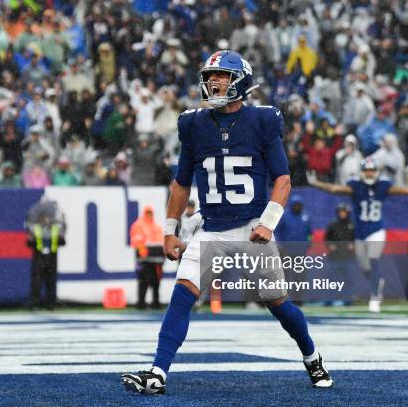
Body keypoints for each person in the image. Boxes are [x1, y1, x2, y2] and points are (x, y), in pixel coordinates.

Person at [122, 50, 333, 395]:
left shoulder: (263, 121)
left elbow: (283, 181)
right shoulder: (193, 124)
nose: (212, 82)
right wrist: (170, 230)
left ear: (240, 81)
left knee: (279, 304)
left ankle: (311, 356)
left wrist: (268, 222)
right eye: (209, 77)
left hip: (253, 229)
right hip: (212, 228)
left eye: (220, 76)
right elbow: (181, 184)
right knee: (182, 294)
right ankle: (157, 372)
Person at [308, 158, 408, 312]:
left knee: (374, 260)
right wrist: (316, 183)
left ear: (376, 172)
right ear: (362, 171)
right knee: (365, 267)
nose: (369, 173)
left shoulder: (382, 186)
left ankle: (374, 297)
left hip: (376, 231)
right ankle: (377, 283)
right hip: (360, 234)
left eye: (372, 170)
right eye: (366, 170)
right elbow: (334, 189)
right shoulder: (356, 187)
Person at [25, 197, 66, 310]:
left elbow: (62, 233)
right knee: (39, 278)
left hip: (49, 251)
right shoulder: (38, 221)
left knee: (48, 278)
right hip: (41, 251)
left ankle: (48, 302)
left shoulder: (53, 221)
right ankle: (38, 302)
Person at [129, 205, 165, 309]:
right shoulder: (138, 225)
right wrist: (142, 250)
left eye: (151, 213)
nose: (149, 215)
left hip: (156, 260)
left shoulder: (157, 226)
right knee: (143, 281)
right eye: (147, 213)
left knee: (156, 282)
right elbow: (136, 240)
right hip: (143, 259)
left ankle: (156, 302)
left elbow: (161, 242)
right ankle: (141, 302)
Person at [324, 203, 356, 306]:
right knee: (333, 280)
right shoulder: (333, 225)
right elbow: (326, 239)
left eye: (344, 212)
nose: (342, 214)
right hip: (335, 257)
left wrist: (353, 245)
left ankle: (348, 300)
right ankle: (330, 300)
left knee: (348, 280)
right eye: (340, 212)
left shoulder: (352, 225)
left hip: (348, 257)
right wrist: (331, 246)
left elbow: (357, 238)